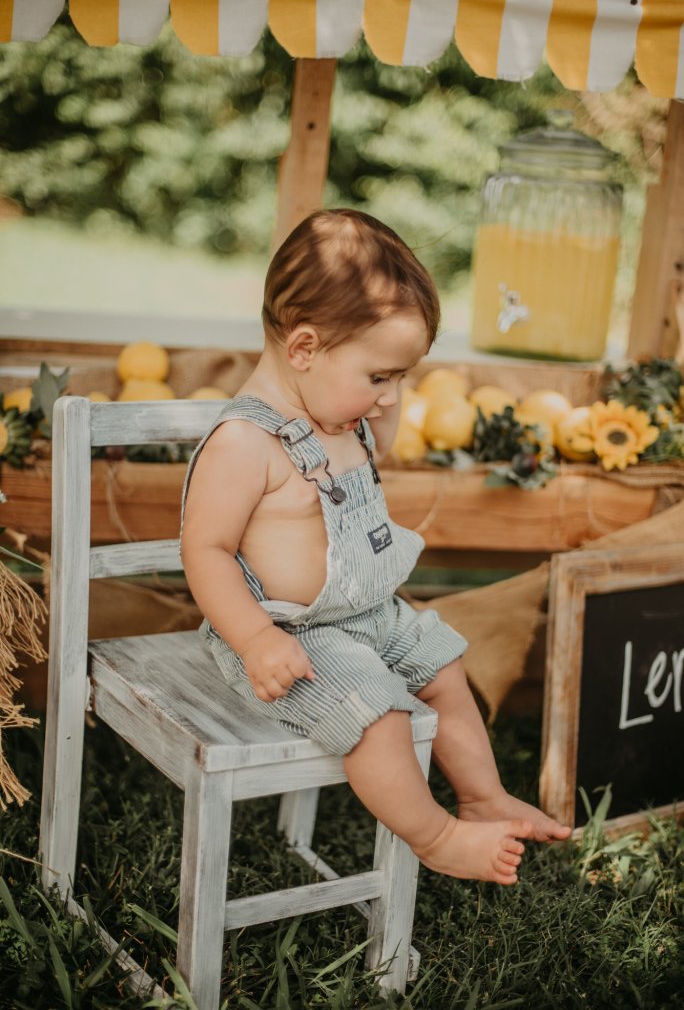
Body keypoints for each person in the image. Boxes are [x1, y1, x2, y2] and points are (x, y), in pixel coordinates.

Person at [180, 208, 571, 885]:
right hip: (295, 637)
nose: (390, 397)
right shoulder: (243, 443)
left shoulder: (341, 414)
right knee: (380, 715)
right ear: (304, 348)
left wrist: (375, 402)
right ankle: (436, 835)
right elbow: (205, 551)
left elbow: (369, 447)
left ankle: (483, 797)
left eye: (401, 377)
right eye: (380, 377)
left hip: (370, 616)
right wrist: (255, 638)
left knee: (444, 669)